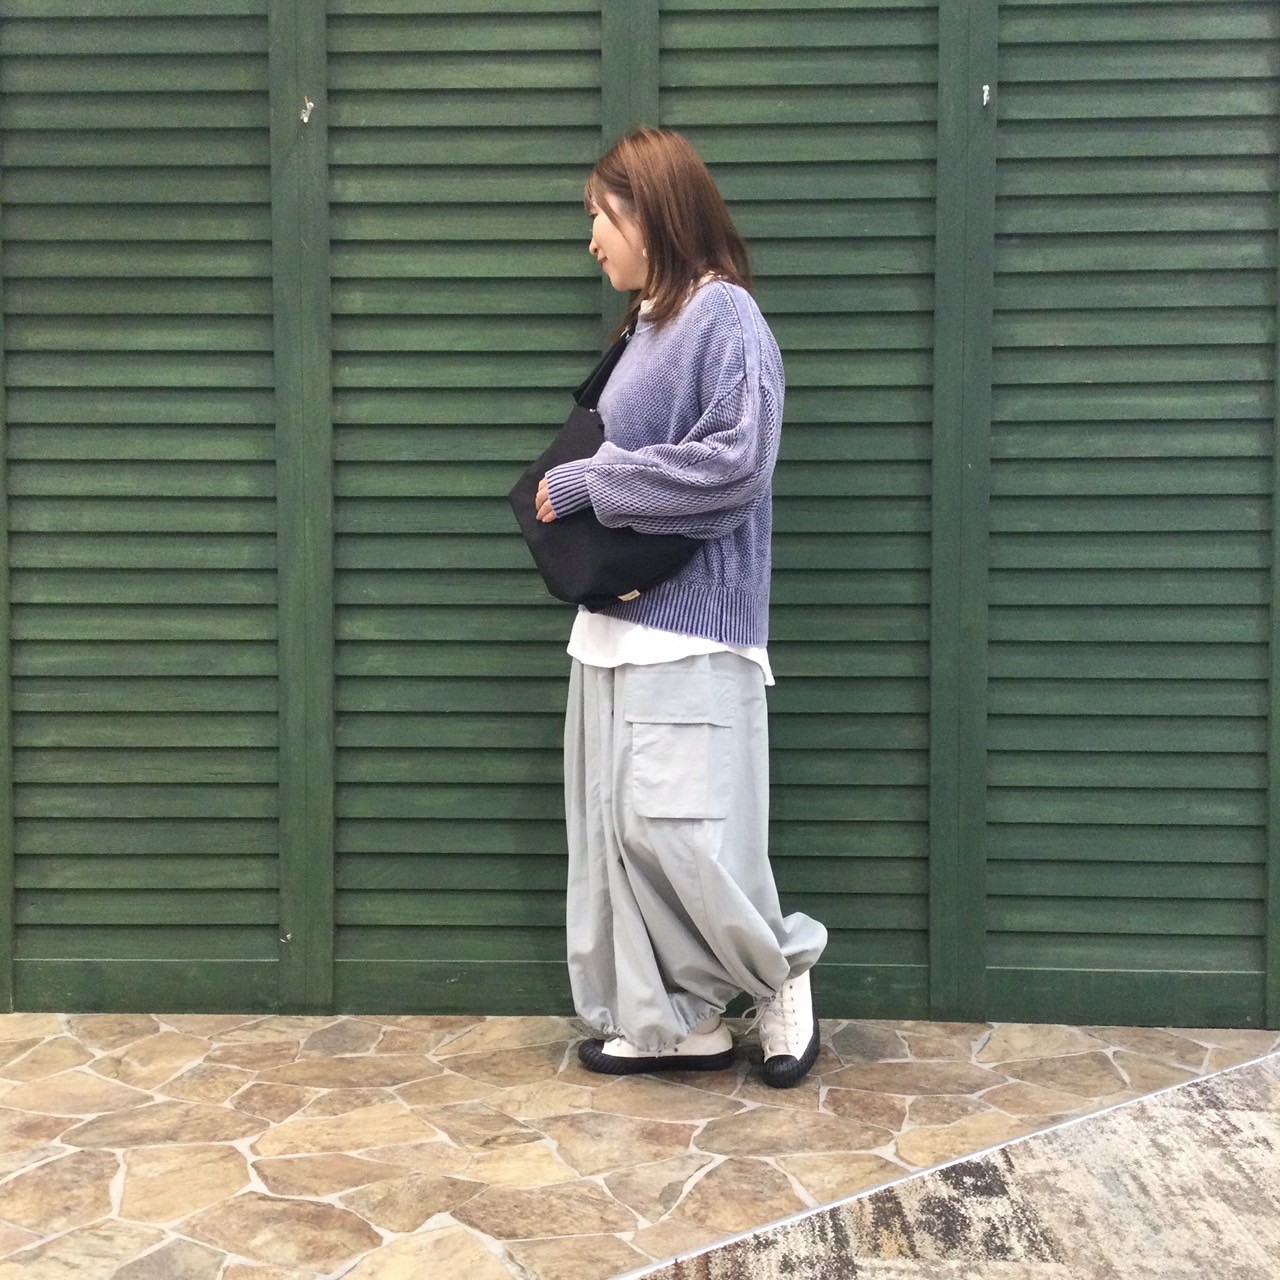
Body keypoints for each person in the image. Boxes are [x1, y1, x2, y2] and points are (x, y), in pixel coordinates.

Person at [533, 127, 827, 1088]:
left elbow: (738, 463)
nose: (591, 239)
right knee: (619, 837)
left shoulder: (723, 314)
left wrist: (592, 483)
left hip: (692, 629)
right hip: (612, 629)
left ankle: (781, 976)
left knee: (686, 836)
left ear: (650, 210)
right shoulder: (644, 328)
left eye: (599, 216)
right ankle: (676, 1024)